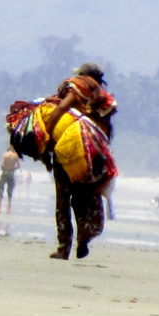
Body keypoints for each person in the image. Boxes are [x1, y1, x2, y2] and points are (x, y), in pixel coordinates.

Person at [45, 62, 117, 260]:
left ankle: (63, 247)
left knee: (63, 200)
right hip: (94, 153)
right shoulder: (101, 97)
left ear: (83, 74)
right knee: (86, 196)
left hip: (70, 149)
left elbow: (62, 106)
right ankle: (85, 236)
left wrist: (47, 133)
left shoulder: (78, 85)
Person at [0, 146, 21, 213]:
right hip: (11, 173)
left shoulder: (5, 155)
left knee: (1, 188)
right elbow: (18, 166)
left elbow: (3, 165)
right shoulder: (16, 156)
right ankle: (8, 208)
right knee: (10, 190)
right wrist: (13, 169)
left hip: (5, 172)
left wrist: (3, 168)